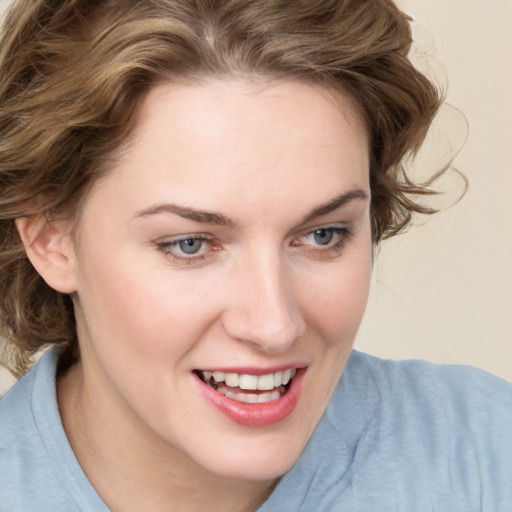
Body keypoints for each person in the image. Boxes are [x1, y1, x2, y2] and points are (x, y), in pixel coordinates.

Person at [0, 0, 511, 510]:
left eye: (323, 235)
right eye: (190, 244)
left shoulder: (487, 455)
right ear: (50, 239)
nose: (275, 326)